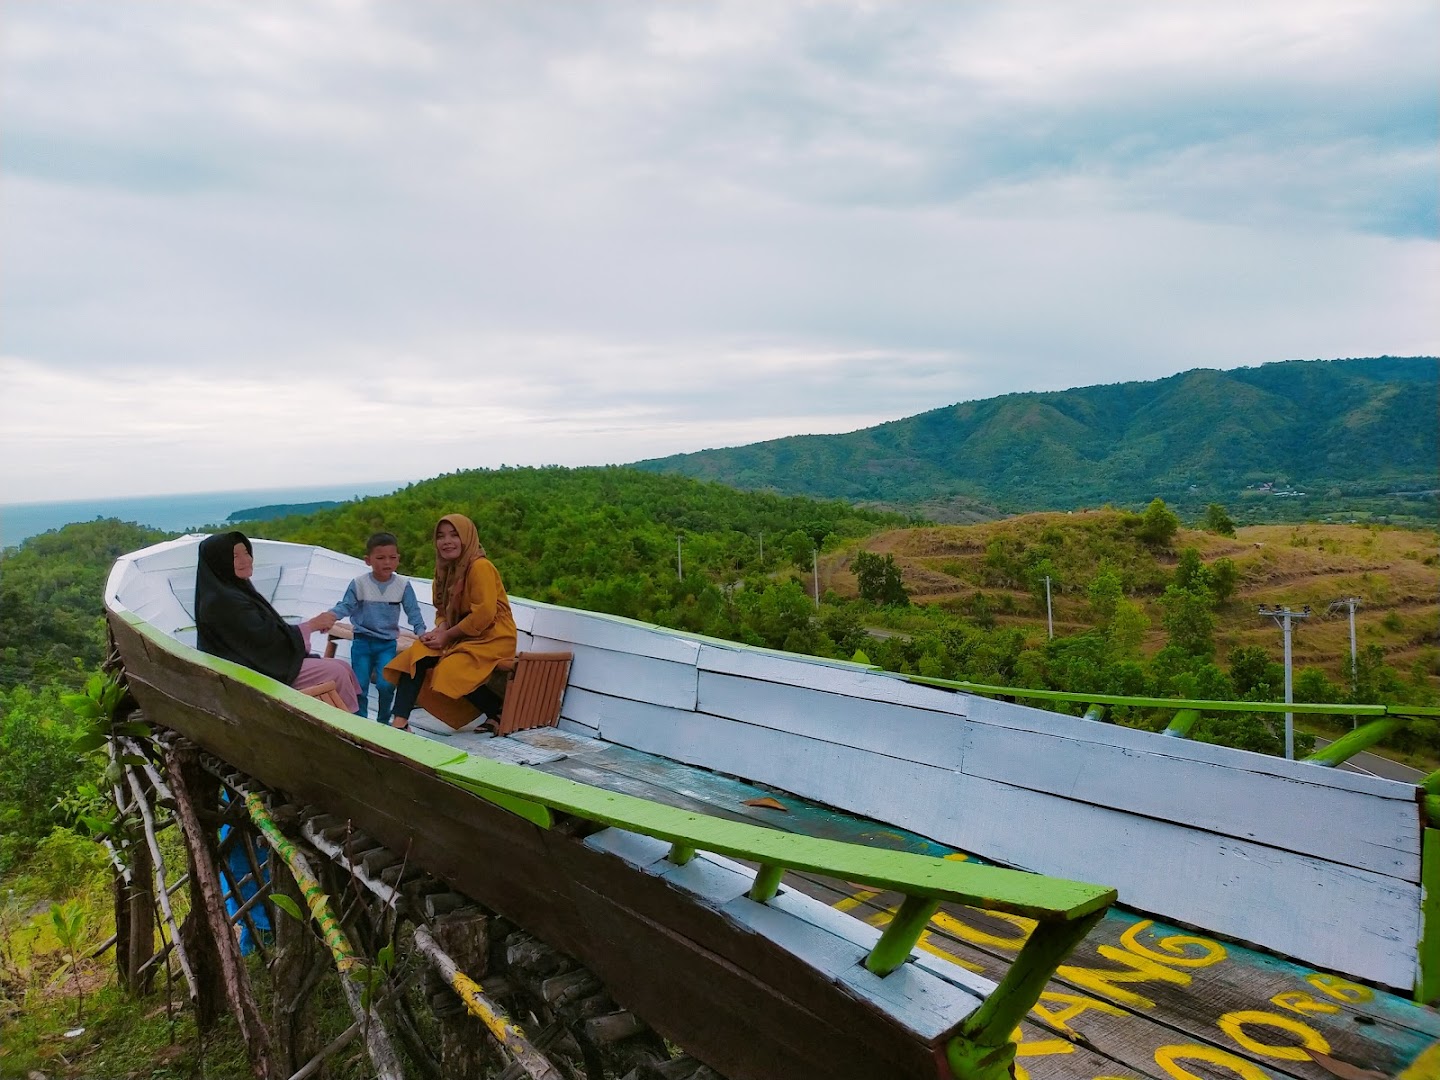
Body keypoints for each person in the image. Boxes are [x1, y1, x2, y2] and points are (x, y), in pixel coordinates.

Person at [194, 531, 361, 711]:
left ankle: (356, 719)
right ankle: (349, 730)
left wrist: (307, 628)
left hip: (258, 667)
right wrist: (311, 626)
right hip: (253, 676)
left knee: (342, 666)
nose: (246, 560)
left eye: (246, 552)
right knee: (337, 673)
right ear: (220, 562)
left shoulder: (230, 590)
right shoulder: (223, 601)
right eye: (235, 556)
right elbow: (265, 643)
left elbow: (265, 636)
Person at [384, 514, 516, 731]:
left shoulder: (480, 567)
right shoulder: (445, 569)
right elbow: (442, 610)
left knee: (450, 670)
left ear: (467, 537)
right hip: (461, 633)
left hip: (492, 636)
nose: (447, 541)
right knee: (415, 655)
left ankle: (496, 710)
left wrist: (447, 636)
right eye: (441, 536)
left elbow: (483, 614)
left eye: (455, 535)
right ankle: (400, 723)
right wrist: (441, 629)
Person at [327, 531, 427, 724]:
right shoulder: (359, 583)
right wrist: (330, 616)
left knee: (386, 684)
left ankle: (383, 721)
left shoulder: (402, 585)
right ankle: (360, 722)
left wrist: (421, 631)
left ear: (398, 559)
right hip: (362, 642)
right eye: (380, 558)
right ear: (368, 560)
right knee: (360, 684)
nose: (386, 562)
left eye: (392, 558)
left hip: (387, 644)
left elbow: (413, 611)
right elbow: (346, 605)